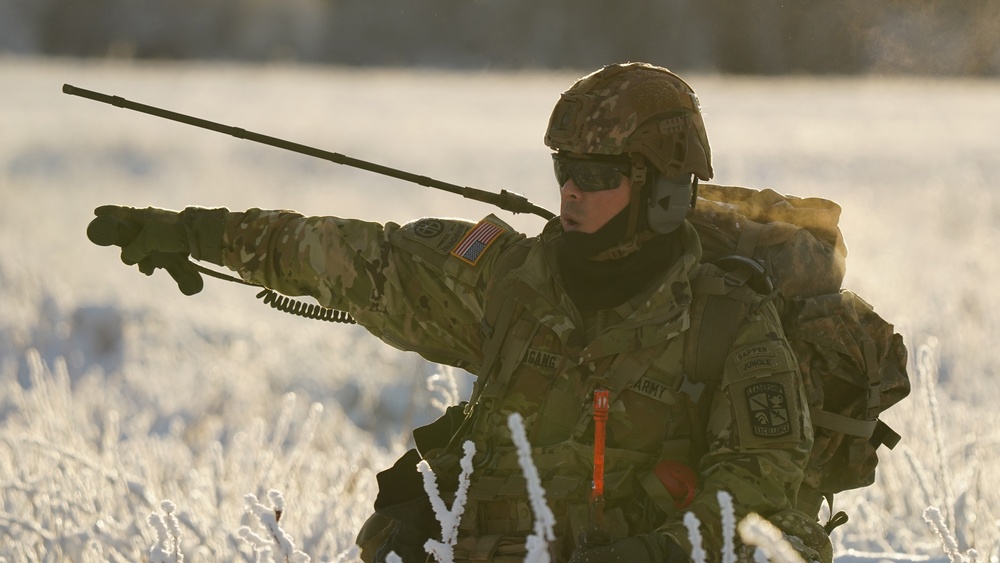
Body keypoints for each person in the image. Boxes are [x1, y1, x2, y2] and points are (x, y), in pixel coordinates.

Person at [92, 62, 832, 562]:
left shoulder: (728, 323)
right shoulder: (512, 277)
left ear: (664, 189)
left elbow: (762, 500)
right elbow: (344, 255)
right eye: (563, 170)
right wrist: (189, 232)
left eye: (597, 174)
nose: (571, 191)